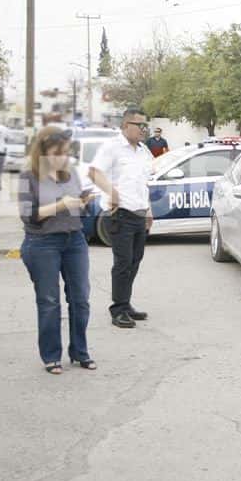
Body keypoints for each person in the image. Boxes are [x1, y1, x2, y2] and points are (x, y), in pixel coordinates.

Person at [17, 126, 97, 375]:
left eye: (65, 153)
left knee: (80, 299)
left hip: (74, 240)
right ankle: (51, 356)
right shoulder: (29, 176)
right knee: (50, 302)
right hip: (43, 243)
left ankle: (79, 352)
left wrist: (83, 202)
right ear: (42, 152)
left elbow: (77, 208)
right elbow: (28, 216)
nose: (61, 158)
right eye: (56, 153)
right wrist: (60, 205)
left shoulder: (70, 173)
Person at [88, 108, 155, 329]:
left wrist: (148, 210)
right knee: (123, 263)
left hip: (138, 214)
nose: (144, 129)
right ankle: (117, 310)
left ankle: (125, 304)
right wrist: (112, 192)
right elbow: (94, 172)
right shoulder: (113, 147)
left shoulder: (143, 150)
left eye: (145, 125)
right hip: (120, 214)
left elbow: (142, 183)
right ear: (126, 125)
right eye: (139, 125)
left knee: (135, 261)